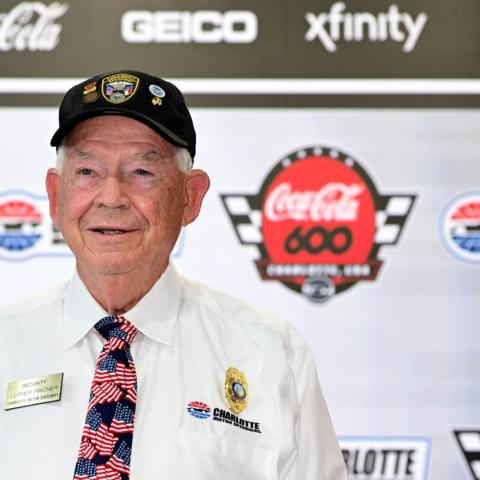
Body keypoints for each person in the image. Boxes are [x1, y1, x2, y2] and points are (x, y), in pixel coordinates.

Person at [0, 70, 347, 479]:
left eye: (141, 172)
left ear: (189, 197)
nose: (111, 197)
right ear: (56, 195)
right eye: (87, 172)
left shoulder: (270, 353)